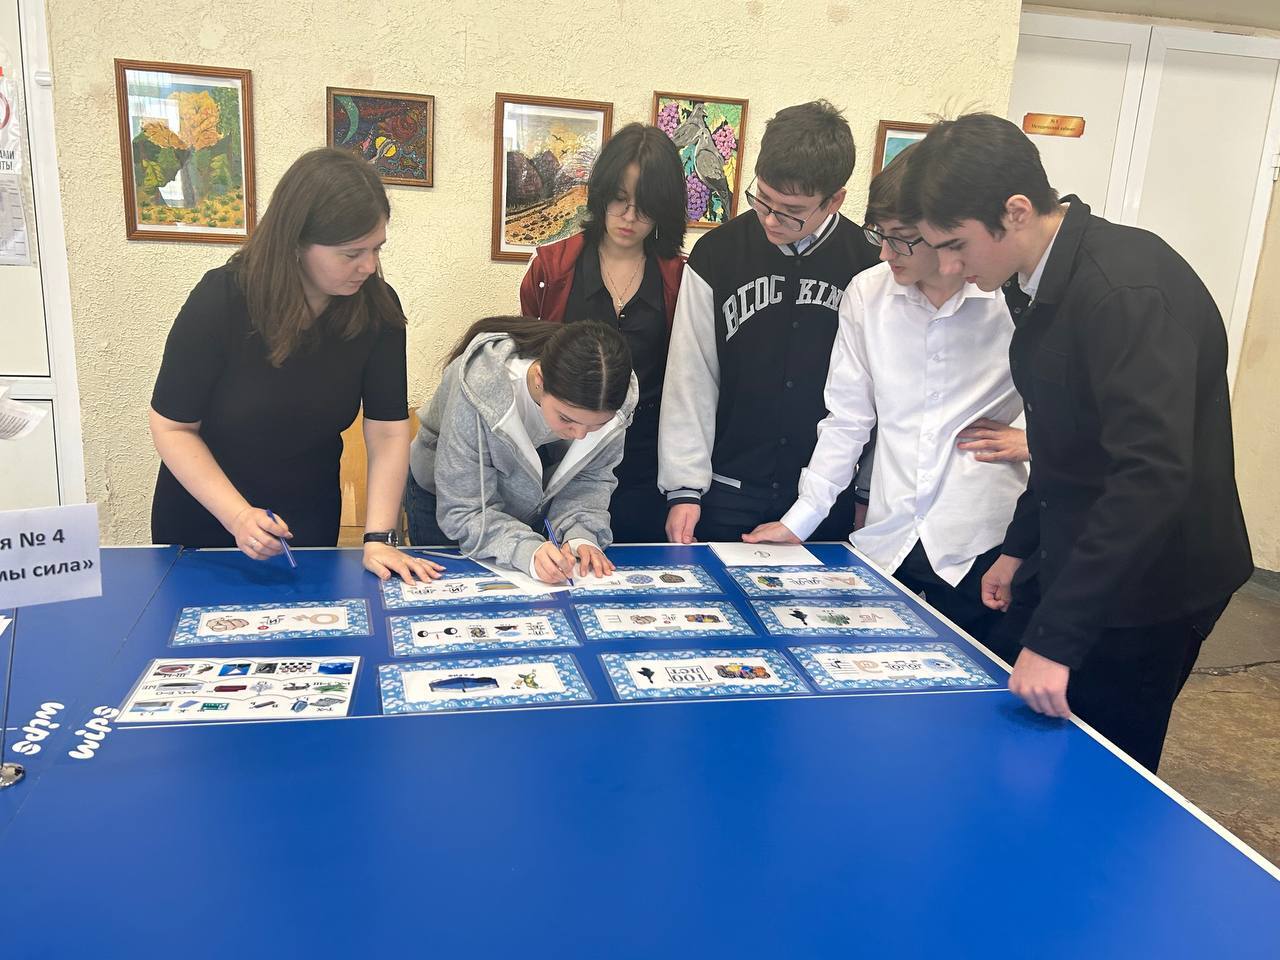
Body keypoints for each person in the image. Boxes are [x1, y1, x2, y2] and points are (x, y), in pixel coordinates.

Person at [900, 112, 1253, 772]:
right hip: (1085, 545)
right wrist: (1018, 549)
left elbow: (1149, 479)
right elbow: (1066, 438)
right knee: (1018, 729)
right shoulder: (1033, 281)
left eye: (956, 245)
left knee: (1103, 761)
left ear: (1015, 211)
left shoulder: (1124, 292)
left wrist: (1057, 640)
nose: (948, 266)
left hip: (1157, 581)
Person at [743, 145, 1029, 644]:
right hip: (889, 536)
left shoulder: (1009, 301)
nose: (884, 253)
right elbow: (847, 419)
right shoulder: (867, 293)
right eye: (879, 234)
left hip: (983, 543)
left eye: (899, 240)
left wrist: (1034, 441)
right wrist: (801, 519)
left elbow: (1081, 406)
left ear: (944, 233)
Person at [149, 148, 440, 584]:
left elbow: (387, 431)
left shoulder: (377, 310)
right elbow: (173, 427)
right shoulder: (222, 299)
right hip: (206, 522)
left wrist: (379, 537)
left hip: (306, 523)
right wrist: (238, 516)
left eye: (377, 249)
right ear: (296, 242)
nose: (369, 266)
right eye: (351, 253)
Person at [658, 100, 880, 544]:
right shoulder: (717, 254)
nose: (771, 220)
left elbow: (878, 392)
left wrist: (866, 491)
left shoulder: (869, 263)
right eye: (762, 199)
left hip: (824, 498)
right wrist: (684, 488)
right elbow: (691, 375)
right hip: (725, 490)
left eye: (791, 210)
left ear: (834, 200)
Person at [520, 123, 686, 543]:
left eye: (645, 207)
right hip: (563, 455)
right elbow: (528, 371)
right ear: (600, 193)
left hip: (645, 462)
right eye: (619, 199)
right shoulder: (551, 270)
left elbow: (688, 379)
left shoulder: (680, 279)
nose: (629, 217)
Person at [405, 318, 638, 584]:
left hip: (522, 509)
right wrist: (525, 549)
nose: (580, 435)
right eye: (566, 419)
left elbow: (589, 478)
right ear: (540, 379)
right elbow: (465, 510)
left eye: (597, 425)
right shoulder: (481, 387)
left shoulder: (613, 395)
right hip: (450, 504)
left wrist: (581, 536)